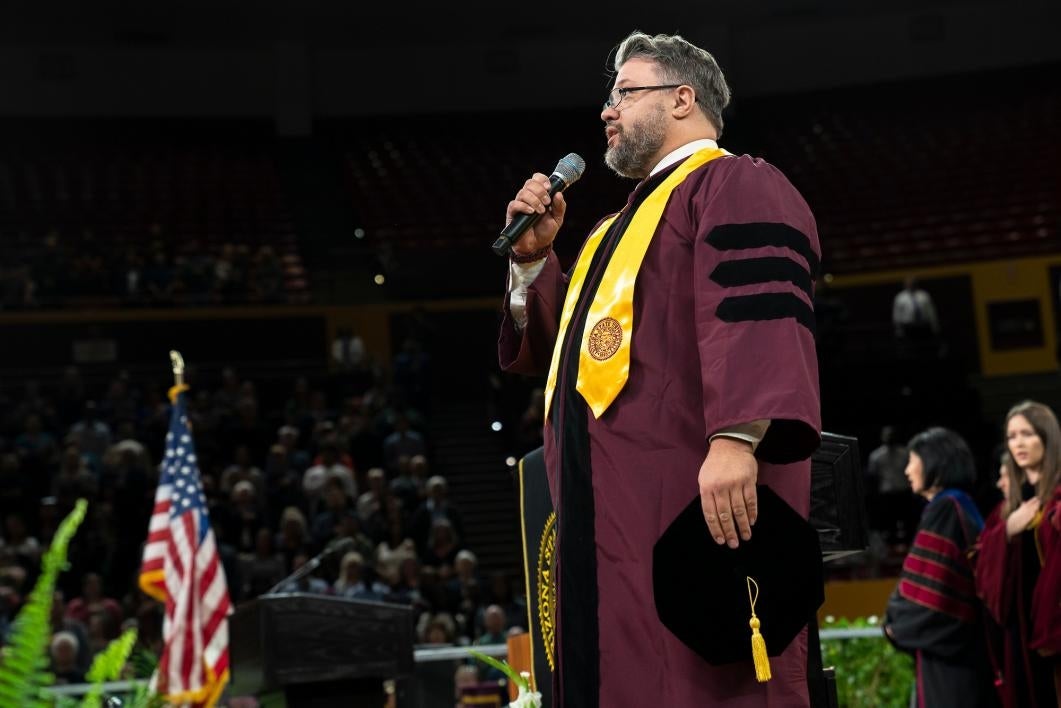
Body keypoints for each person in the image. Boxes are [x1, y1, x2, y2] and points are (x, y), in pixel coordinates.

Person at [498, 31, 821, 706]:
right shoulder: (607, 232)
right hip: (605, 513)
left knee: (699, 678)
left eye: (623, 91)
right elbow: (563, 352)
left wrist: (735, 439)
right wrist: (531, 263)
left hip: (684, 498)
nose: (605, 110)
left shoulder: (734, 183)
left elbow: (757, 313)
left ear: (682, 98)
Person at [882, 428, 997, 707]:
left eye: (912, 459)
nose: (907, 470)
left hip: (951, 662)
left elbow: (932, 594)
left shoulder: (946, 507)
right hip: (966, 655)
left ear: (934, 460)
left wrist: (895, 624)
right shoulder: (963, 505)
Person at [974, 401, 1061, 707]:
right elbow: (981, 569)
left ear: (1046, 437)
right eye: (1012, 436)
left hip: (1053, 632)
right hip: (1018, 635)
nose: (1018, 443)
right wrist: (1008, 531)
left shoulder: (1057, 499)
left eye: (1027, 434)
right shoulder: (1007, 510)